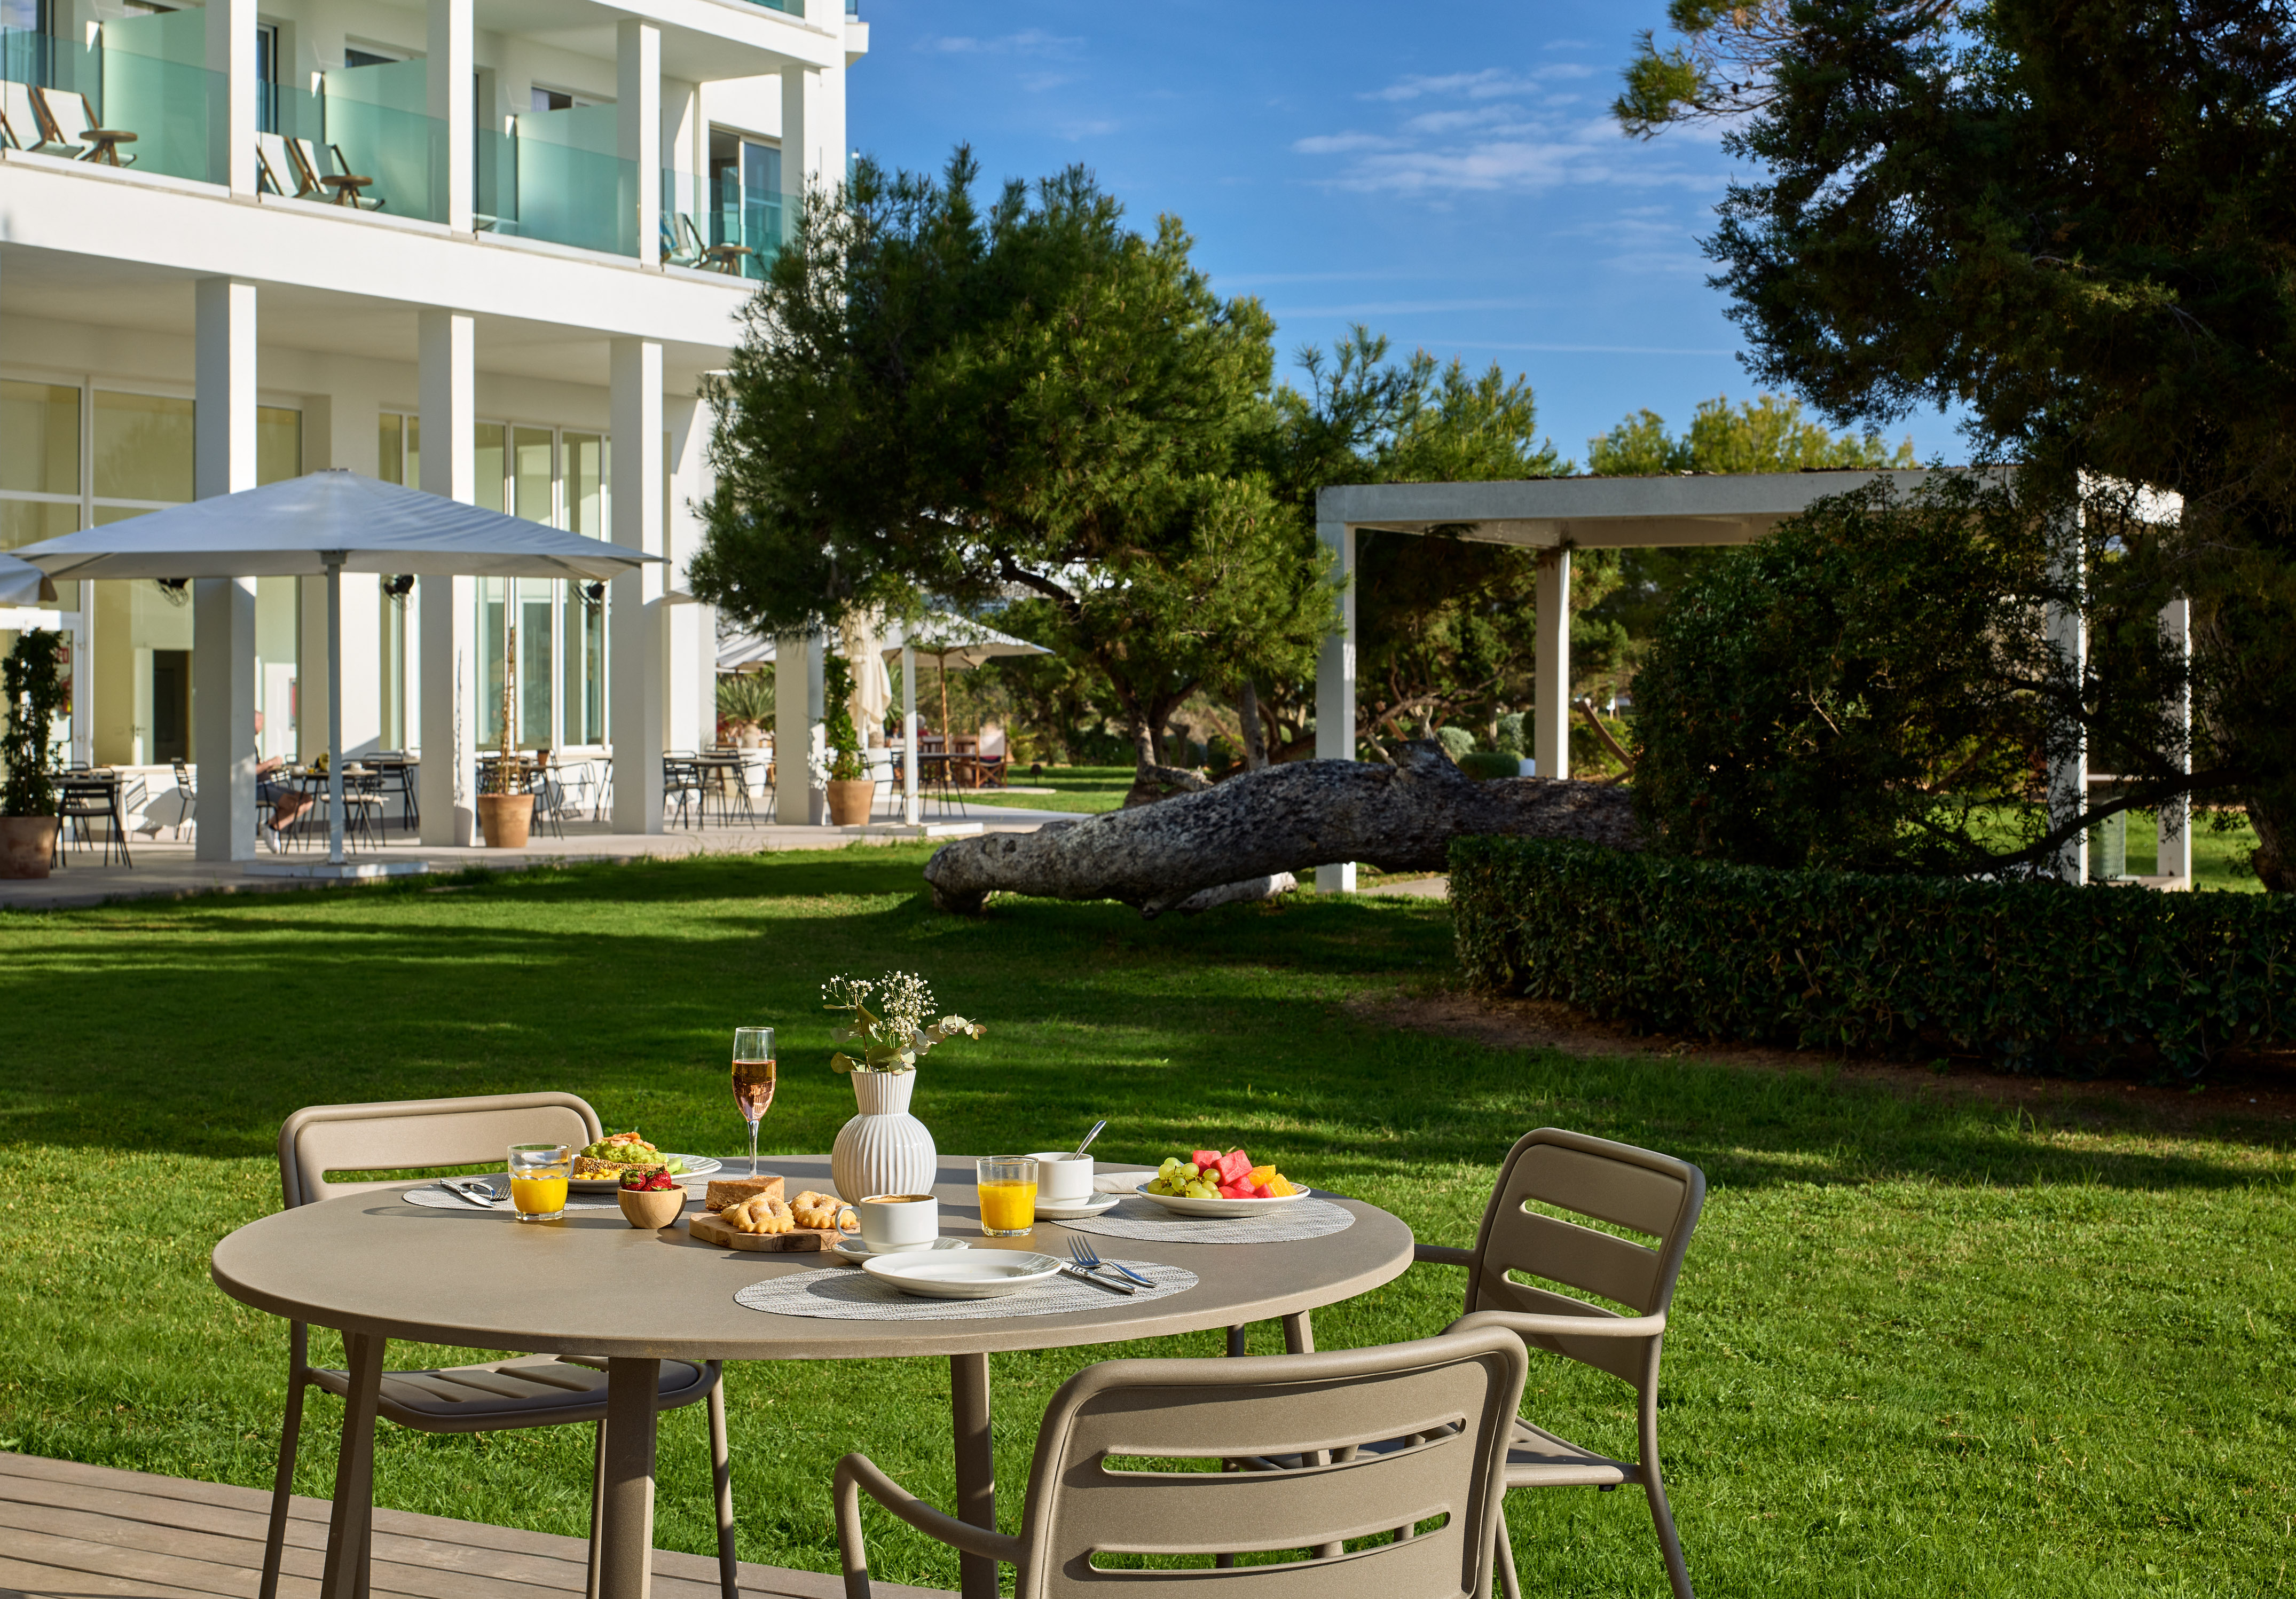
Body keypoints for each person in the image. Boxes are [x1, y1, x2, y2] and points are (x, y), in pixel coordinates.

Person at [256, 754, 312, 852]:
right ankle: (271, 828)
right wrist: (270, 763)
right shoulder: (242, 745)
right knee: (293, 804)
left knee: (307, 800)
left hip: (270, 784)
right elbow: (249, 771)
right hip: (258, 788)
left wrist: (268, 767)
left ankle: (271, 827)